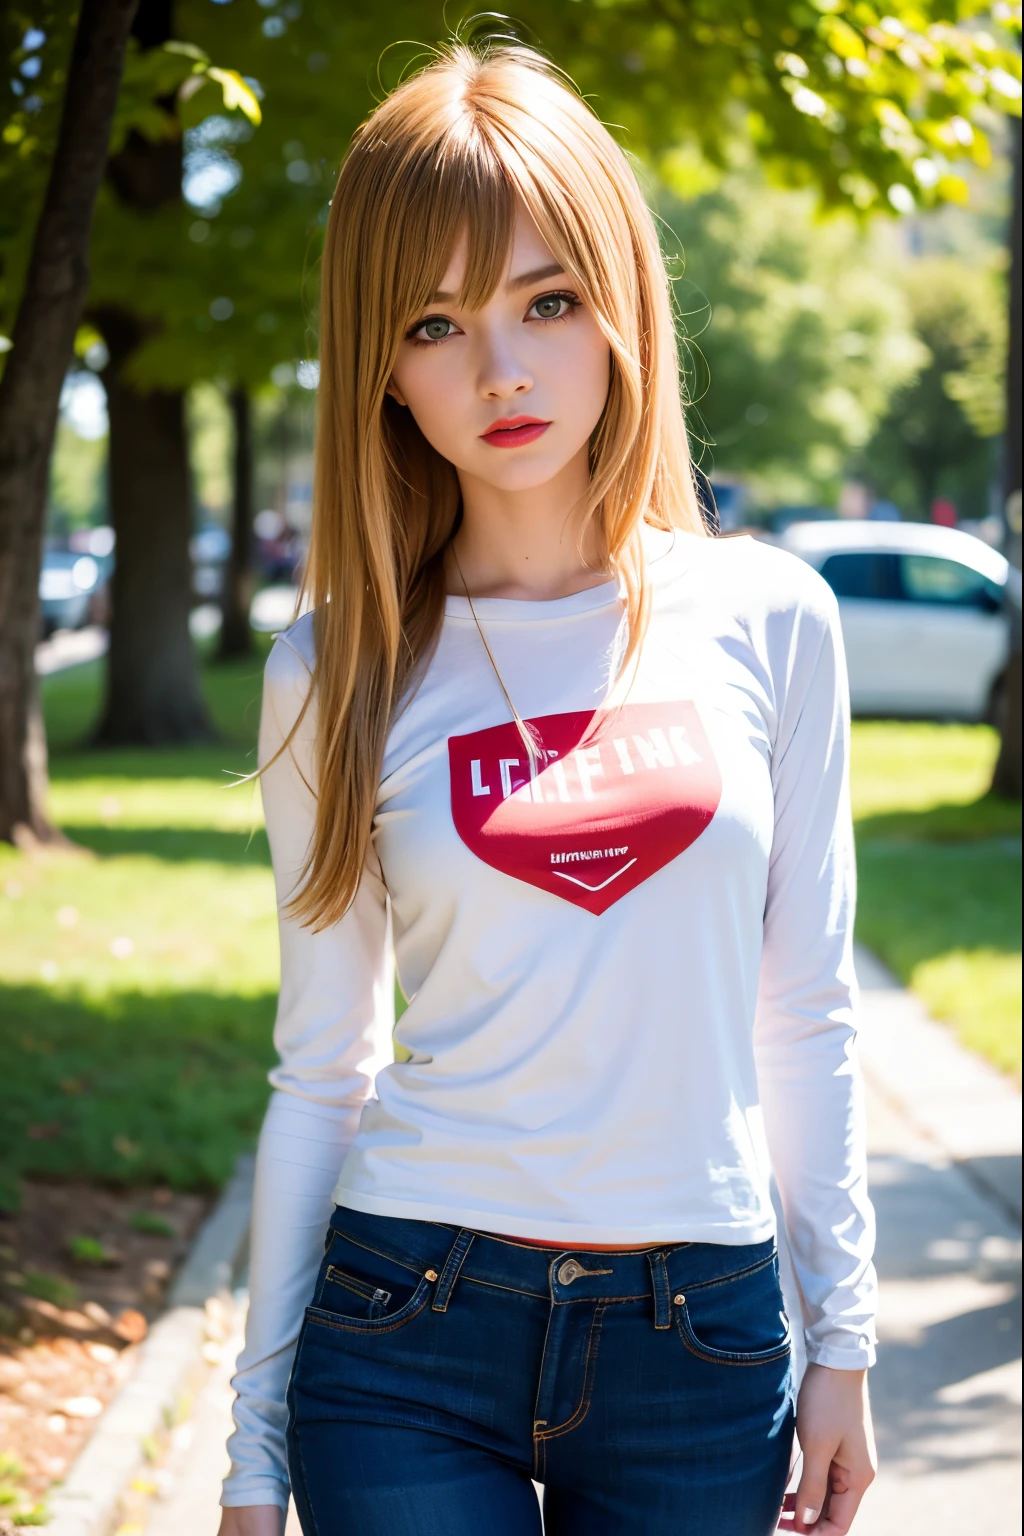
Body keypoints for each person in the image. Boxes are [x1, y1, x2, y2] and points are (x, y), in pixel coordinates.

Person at [217, 41, 877, 1536]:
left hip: (695, 1336)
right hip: (405, 1323)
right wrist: (252, 1456)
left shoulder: (772, 617)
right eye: (435, 322)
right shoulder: (337, 665)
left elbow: (809, 1014)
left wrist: (845, 1342)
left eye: (546, 301)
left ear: (620, 301)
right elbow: (322, 1068)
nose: (501, 370)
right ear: (380, 364)